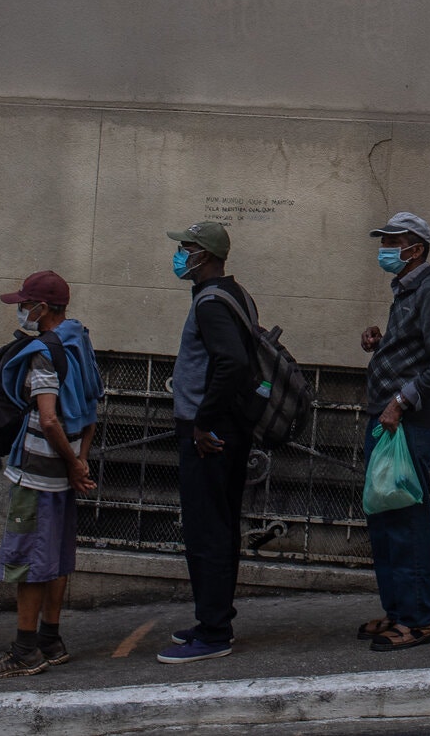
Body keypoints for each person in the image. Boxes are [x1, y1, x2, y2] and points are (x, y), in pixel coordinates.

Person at [0, 271, 100, 678]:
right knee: (56, 555)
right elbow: (90, 410)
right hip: (67, 471)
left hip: (39, 471)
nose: (21, 310)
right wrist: (80, 461)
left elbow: (48, 419)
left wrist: (70, 462)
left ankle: (25, 650)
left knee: (28, 559)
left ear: (42, 308)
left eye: (24, 303)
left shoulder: (45, 352)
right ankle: (52, 638)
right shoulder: (78, 341)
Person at [357, 211, 430, 652]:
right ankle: (399, 611)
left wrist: (400, 402)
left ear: (415, 248)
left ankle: (418, 620)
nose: (385, 248)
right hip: (388, 422)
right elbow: (417, 351)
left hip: (407, 425)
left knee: (408, 522)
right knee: (384, 520)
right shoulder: (406, 290)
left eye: (392, 241)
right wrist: (383, 344)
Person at [159, 220, 256, 663]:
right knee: (217, 525)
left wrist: (202, 423)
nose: (180, 255)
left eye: (187, 248)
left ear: (207, 255)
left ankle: (214, 632)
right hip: (227, 428)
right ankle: (211, 619)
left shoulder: (212, 302)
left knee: (207, 530)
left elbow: (232, 363)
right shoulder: (235, 295)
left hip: (211, 435)